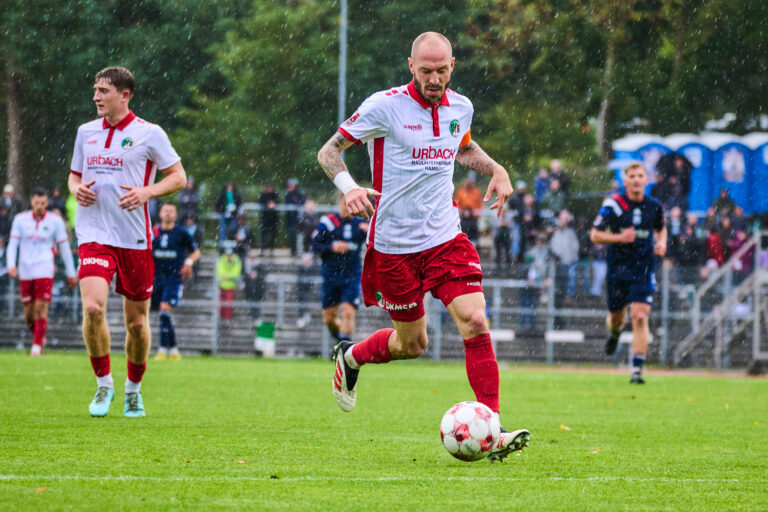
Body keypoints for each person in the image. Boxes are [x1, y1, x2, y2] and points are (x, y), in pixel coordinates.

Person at [316, 31, 529, 461]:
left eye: (442, 69)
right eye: (426, 70)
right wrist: (349, 187)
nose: (434, 78)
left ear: (454, 66)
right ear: (411, 66)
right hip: (393, 246)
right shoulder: (385, 106)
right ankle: (351, 357)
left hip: (445, 238)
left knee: (475, 322)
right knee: (412, 345)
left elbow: (462, 147)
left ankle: (493, 428)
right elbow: (328, 152)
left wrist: (498, 169)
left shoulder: (461, 106)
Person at [68, 66, 187, 417]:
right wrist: (78, 192)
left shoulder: (149, 134)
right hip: (94, 236)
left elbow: (179, 177)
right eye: (94, 89)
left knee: (137, 324)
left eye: (103, 90)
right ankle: (104, 385)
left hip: (134, 239)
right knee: (92, 308)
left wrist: (147, 192)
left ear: (124, 94)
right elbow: (74, 178)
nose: (95, 96)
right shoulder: (85, 133)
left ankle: (133, 389)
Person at [590, 162, 666, 384]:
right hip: (618, 270)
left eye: (639, 175)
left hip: (644, 269)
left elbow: (661, 228)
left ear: (646, 179)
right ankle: (614, 333)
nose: (635, 179)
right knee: (616, 318)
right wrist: (619, 238)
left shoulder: (654, 205)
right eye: (631, 175)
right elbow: (595, 235)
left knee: (640, 315)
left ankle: (636, 370)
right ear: (625, 181)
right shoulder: (614, 204)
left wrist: (661, 243)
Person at [7, 188, 77, 355]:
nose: (39, 206)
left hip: (45, 268)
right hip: (25, 269)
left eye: (43, 203)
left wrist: (71, 273)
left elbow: (65, 248)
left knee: (41, 308)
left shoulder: (55, 221)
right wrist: (11, 264)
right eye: (37, 203)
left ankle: (36, 346)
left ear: (47, 203)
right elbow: (13, 244)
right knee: (29, 314)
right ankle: (39, 337)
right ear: (31, 202)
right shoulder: (20, 220)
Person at [311, 193, 368, 344]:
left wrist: (371, 232)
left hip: (352, 274)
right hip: (331, 275)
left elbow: (379, 241)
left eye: (352, 205)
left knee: (348, 311)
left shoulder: (361, 223)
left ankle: (345, 348)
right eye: (346, 204)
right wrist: (331, 247)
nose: (349, 208)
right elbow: (314, 245)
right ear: (339, 203)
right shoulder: (328, 222)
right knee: (329, 318)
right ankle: (342, 342)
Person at [151, 203, 200, 360]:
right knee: (163, 312)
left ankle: (162, 349)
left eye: (171, 211)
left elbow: (196, 252)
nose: (168, 213)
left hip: (174, 277)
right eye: (165, 210)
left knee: (165, 308)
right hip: (155, 277)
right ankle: (173, 349)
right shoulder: (152, 232)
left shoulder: (181, 233)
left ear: (176, 214)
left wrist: (188, 263)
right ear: (160, 213)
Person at [216, 248, 241, 323]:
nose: (229, 257)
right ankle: (221, 317)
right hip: (222, 285)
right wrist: (228, 276)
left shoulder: (236, 260)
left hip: (231, 286)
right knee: (221, 303)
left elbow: (236, 273)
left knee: (229, 303)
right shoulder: (221, 260)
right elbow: (219, 271)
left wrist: (226, 276)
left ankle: (227, 318)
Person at [284, 178, 306, 257]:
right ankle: (293, 251)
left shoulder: (300, 194)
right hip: (291, 220)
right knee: (292, 236)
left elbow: (302, 202)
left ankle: (300, 251)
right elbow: (288, 203)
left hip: (299, 219)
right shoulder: (288, 195)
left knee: (300, 236)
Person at [257, 183, 280, 256]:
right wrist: (268, 204)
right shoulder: (263, 195)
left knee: (272, 235)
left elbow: (277, 201)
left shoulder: (275, 195)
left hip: (273, 218)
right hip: (265, 218)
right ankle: (262, 249)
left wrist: (273, 203)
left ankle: (271, 249)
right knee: (263, 234)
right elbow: (261, 201)